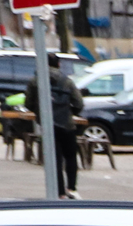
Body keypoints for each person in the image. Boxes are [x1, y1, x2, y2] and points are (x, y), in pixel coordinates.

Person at [45, 52, 82, 198]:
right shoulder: (67, 81)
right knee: (71, 156)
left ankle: (59, 192)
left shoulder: (37, 81)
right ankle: (71, 188)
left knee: (55, 159)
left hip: (49, 126)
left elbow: (29, 102)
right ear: (59, 64)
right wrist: (70, 112)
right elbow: (79, 103)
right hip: (67, 125)